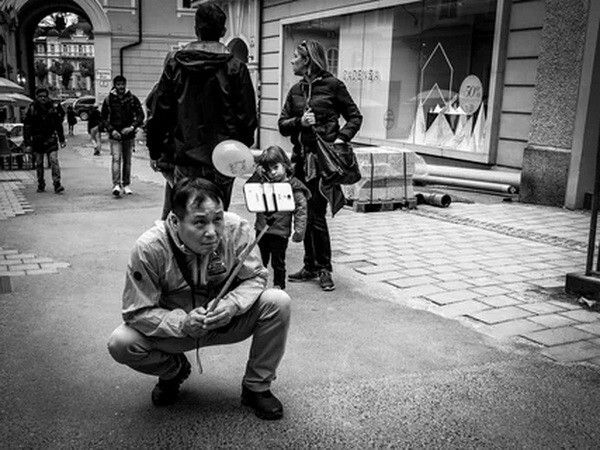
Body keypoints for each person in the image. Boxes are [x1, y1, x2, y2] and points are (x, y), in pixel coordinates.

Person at [107, 177, 290, 419]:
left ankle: (256, 386)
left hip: (227, 322)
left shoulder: (237, 229)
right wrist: (182, 323)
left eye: (218, 219)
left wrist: (231, 305)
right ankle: (174, 371)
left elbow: (256, 276)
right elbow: (136, 312)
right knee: (121, 343)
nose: (212, 232)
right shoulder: (149, 248)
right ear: (175, 221)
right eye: (200, 222)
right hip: (177, 332)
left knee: (278, 302)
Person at [146, 3, 257, 211]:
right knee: (216, 217)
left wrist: (157, 152)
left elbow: (160, 114)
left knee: (188, 217)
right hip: (223, 159)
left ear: (196, 29)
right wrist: (238, 149)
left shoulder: (176, 66)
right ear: (223, 31)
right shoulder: (236, 68)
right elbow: (248, 119)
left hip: (185, 158)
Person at [278, 40, 363, 291]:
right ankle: (310, 265)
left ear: (308, 60)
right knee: (304, 212)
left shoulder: (333, 86)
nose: (292, 60)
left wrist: (340, 139)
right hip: (300, 162)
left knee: (316, 214)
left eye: (296, 56)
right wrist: (299, 122)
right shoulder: (296, 89)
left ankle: (324, 268)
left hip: (323, 163)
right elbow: (282, 124)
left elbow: (355, 116)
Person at [248, 146, 309, 290]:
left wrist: (299, 230)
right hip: (262, 229)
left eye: (276, 167)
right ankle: (258, 286)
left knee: (278, 262)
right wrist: (257, 174)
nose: (273, 172)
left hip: (280, 232)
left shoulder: (293, 185)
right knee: (260, 260)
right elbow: (249, 191)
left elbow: (301, 208)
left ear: (285, 165)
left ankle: (278, 286)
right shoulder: (262, 182)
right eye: (268, 169)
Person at [101, 75, 144, 197]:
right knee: (116, 159)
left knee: (127, 161)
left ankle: (126, 184)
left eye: (122, 84)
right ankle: (116, 185)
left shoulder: (132, 98)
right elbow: (103, 118)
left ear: (125, 84)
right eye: (118, 84)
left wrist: (132, 127)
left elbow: (141, 115)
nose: (121, 87)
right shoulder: (109, 100)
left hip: (128, 135)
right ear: (115, 85)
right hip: (115, 135)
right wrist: (111, 130)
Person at [23, 87, 66, 194]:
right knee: (39, 163)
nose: (43, 98)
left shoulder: (52, 107)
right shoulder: (32, 108)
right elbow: (27, 126)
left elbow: (58, 124)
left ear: (47, 97)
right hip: (37, 140)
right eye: (40, 96)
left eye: (44, 96)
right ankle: (41, 183)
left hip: (51, 138)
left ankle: (57, 183)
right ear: (36, 97)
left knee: (54, 160)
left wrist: (62, 139)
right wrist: (28, 142)